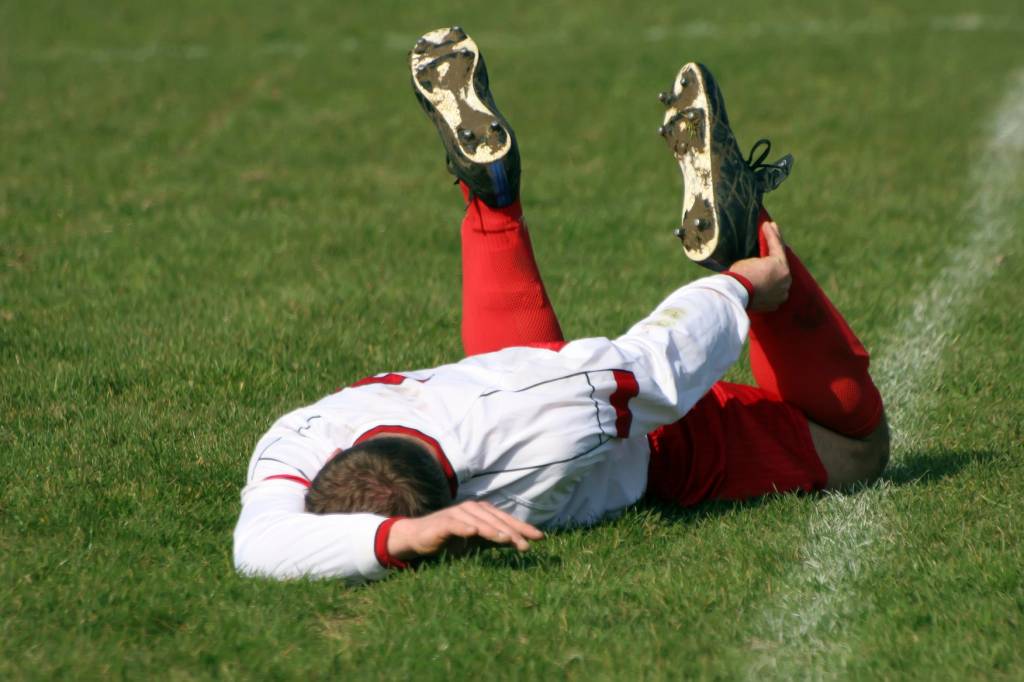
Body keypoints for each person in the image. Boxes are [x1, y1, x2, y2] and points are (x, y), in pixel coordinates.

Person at [233, 27, 889, 582]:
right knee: (528, 373)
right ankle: (490, 201)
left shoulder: (541, 434)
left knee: (859, 451)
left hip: (627, 432)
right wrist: (400, 536)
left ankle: (747, 225)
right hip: (506, 380)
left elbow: (654, 365)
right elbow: (256, 547)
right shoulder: (300, 438)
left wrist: (744, 287)